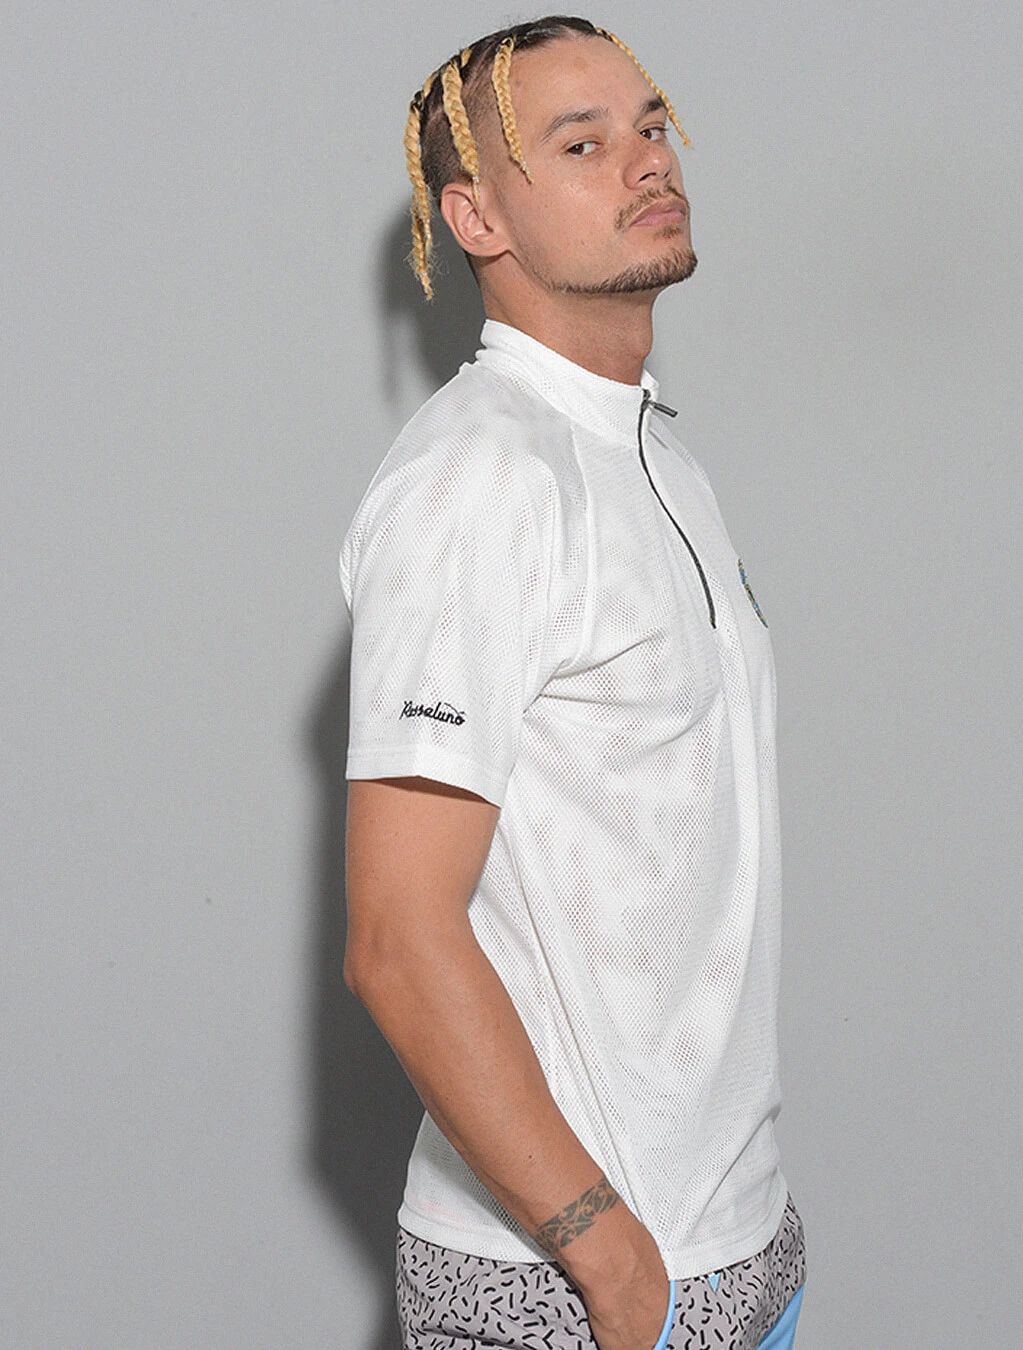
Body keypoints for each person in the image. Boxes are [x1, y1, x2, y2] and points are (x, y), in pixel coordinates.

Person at [339, 16, 805, 1350]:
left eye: (651, 125)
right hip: (574, 1288)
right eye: (583, 143)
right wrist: (610, 1259)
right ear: (475, 216)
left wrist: (729, 1258)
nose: (649, 160)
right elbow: (398, 936)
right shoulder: (483, 480)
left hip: (743, 1251)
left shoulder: (651, 452)